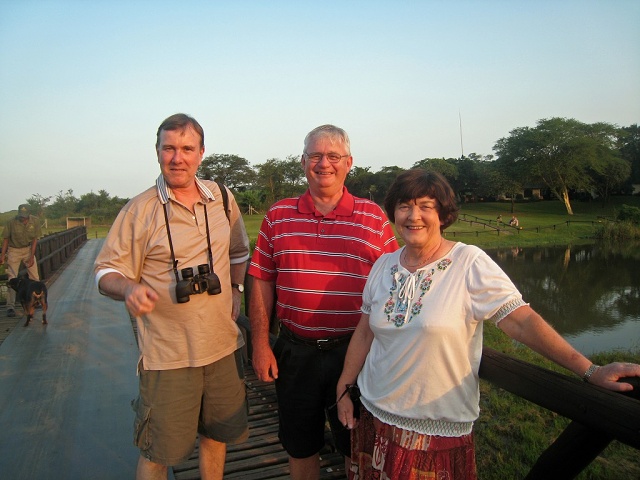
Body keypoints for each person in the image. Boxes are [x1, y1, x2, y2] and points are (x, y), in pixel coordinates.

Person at [335, 169, 640, 480]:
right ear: (394, 213)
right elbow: (365, 332)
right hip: (374, 413)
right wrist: (344, 387)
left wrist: (590, 370)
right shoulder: (383, 265)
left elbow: (522, 322)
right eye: (404, 205)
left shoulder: (468, 262)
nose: (414, 216)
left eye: (426, 206)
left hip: (434, 427)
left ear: (443, 214)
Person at [94, 113, 250, 480]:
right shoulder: (139, 209)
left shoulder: (223, 200)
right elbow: (104, 272)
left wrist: (237, 290)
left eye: (186, 149)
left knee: (216, 436)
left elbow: (239, 252)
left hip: (222, 347)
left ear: (201, 153)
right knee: (159, 452)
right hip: (168, 356)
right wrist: (128, 288)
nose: (177, 158)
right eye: (169, 148)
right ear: (157, 152)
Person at [248, 124, 399, 480]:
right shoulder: (278, 215)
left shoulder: (373, 217)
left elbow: (394, 284)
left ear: (349, 162)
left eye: (333, 156)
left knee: (356, 444)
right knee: (300, 445)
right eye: (315, 155)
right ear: (303, 163)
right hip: (295, 351)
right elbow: (261, 280)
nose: (324, 163)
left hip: (355, 352)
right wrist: (259, 343)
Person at [1, 204, 42, 317]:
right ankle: (10, 306)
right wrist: (3, 255)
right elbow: (5, 239)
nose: (22, 218)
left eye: (24, 216)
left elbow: (35, 240)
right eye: (21, 216)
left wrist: (31, 256)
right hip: (14, 250)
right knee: (12, 279)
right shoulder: (11, 222)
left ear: (29, 214)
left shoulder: (35, 221)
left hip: (28, 249)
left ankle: (35, 300)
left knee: (35, 277)